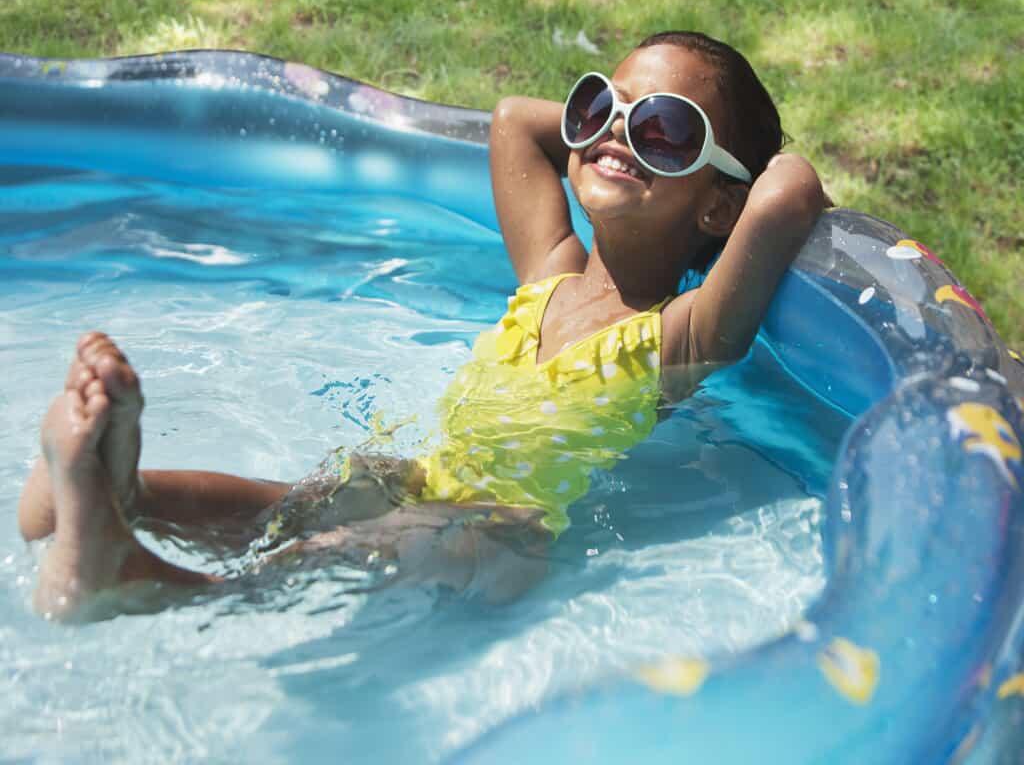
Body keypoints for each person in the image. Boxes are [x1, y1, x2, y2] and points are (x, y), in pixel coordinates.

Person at [18, 31, 825, 621]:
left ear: (721, 203)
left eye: (666, 131)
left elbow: (785, 189)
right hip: (428, 478)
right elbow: (513, 120)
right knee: (327, 491)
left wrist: (726, 167)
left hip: (503, 536)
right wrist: (623, 131)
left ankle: (141, 583)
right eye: (599, 108)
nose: (617, 132)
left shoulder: (677, 337)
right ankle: (111, 493)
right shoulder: (548, 274)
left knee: (364, 540)